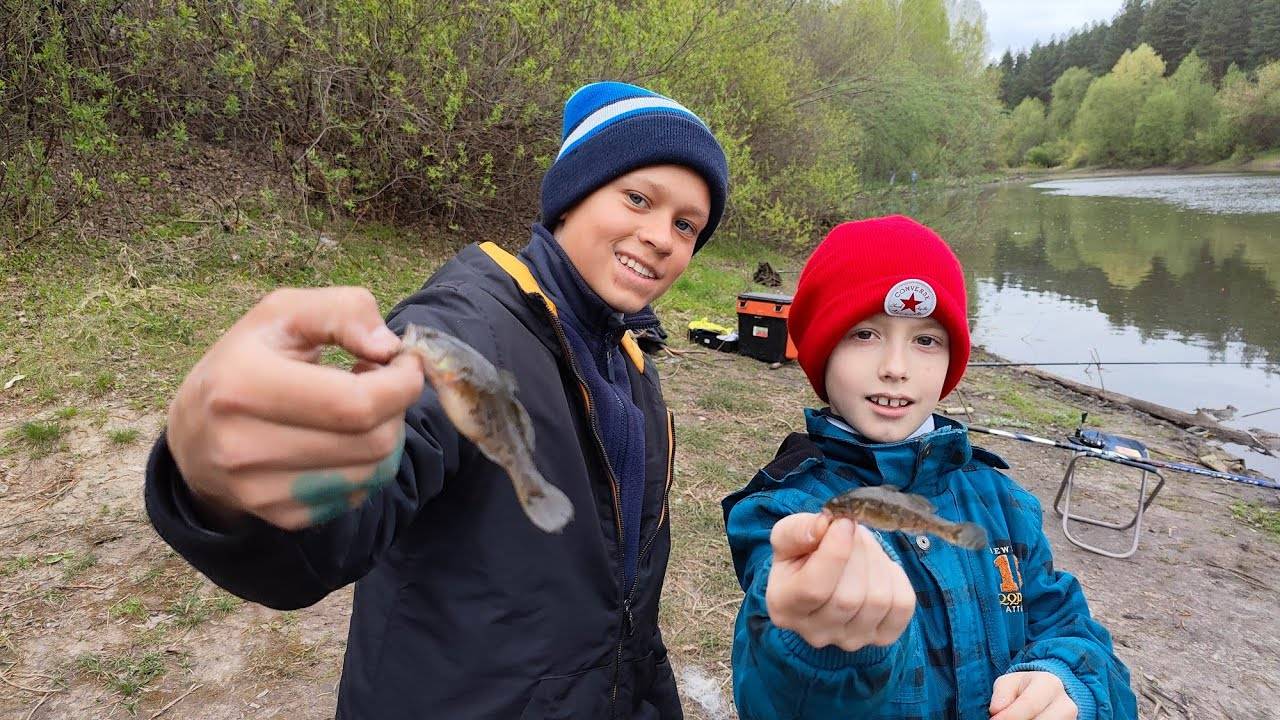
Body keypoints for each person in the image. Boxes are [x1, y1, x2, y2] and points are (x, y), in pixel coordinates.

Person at [144, 81, 729, 719]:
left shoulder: (631, 364)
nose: (661, 237)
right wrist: (222, 487)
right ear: (572, 196)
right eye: (638, 199)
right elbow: (332, 528)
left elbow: (631, 613)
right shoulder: (462, 326)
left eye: (686, 225)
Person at [721, 215, 1137, 720]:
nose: (896, 367)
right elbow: (772, 694)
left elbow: (1069, 628)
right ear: (821, 352)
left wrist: (1070, 683)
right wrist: (820, 646)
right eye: (865, 334)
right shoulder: (783, 513)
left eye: (926, 340)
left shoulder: (1004, 503)